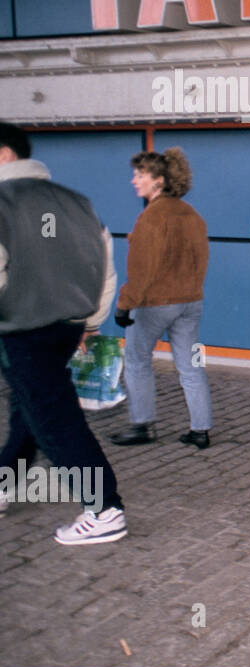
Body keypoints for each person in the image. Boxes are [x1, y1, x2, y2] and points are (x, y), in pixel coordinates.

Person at [0, 121, 127, 543]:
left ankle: (105, 509)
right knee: (30, 407)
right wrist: (91, 322)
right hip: (69, 327)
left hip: (20, 329)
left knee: (53, 418)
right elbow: (105, 266)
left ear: (4, 155)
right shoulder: (77, 202)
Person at [111, 147, 213, 450]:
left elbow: (142, 270)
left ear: (158, 181)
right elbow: (201, 259)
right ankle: (200, 430)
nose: (133, 181)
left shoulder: (151, 218)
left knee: (137, 360)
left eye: (140, 175)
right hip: (190, 301)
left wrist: (124, 304)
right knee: (190, 365)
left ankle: (142, 426)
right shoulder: (192, 214)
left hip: (154, 303)